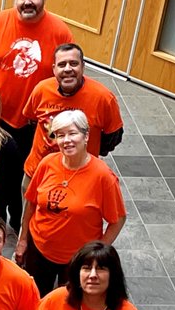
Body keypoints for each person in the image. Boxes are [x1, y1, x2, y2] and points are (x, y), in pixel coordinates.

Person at [0, 0, 73, 228]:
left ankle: (20, 221)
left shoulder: (60, 32)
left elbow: (66, 74)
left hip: (33, 124)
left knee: (25, 177)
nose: (28, 1)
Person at [17, 110, 127, 295]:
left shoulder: (103, 177)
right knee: (34, 297)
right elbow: (31, 203)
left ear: (86, 136)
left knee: (70, 302)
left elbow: (118, 219)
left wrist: (96, 254)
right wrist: (22, 239)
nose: (66, 140)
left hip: (77, 259)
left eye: (72, 133)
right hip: (39, 250)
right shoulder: (47, 163)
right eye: (60, 135)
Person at [21, 43, 124, 181]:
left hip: (80, 176)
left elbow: (113, 136)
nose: (68, 69)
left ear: (83, 66)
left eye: (74, 63)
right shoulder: (41, 90)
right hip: (38, 172)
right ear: (54, 69)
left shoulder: (103, 98)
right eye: (62, 64)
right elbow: (32, 122)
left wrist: (88, 151)